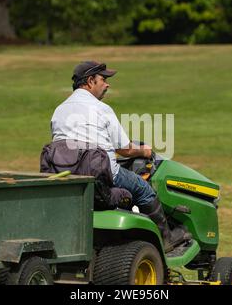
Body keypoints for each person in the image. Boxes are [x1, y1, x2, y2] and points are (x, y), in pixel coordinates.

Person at [50, 61, 190, 252]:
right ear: (90, 81)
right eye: (103, 79)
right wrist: (145, 151)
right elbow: (126, 150)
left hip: (67, 175)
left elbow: (74, 146)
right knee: (143, 188)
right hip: (100, 174)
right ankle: (167, 239)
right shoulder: (102, 109)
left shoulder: (60, 110)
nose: (107, 84)